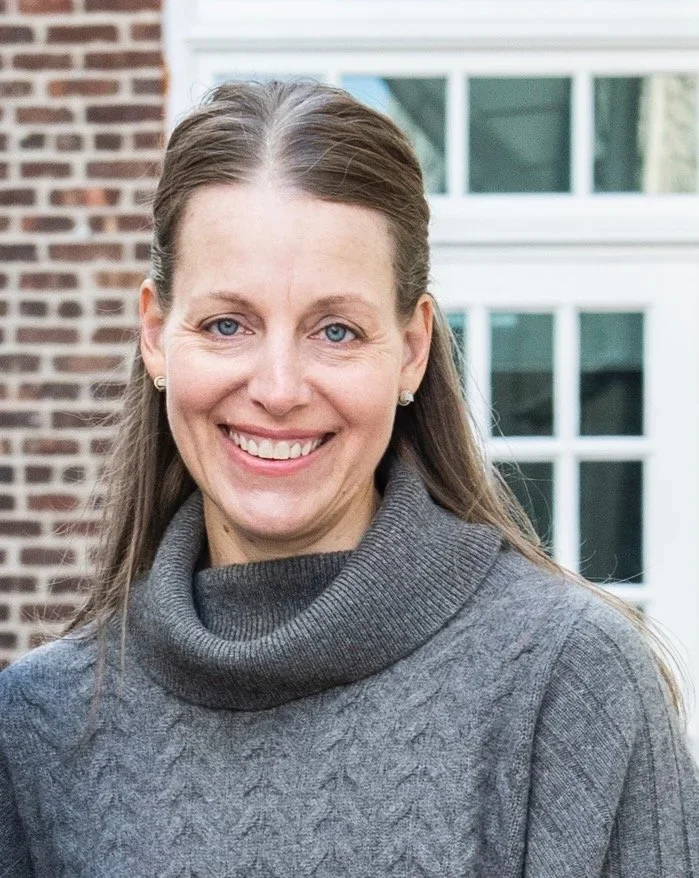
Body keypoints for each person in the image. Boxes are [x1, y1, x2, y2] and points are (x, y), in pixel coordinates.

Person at [1, 79, 698, 878]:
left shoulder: (568, 684)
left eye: (336, 330)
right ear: (157, 335)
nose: (278, 387)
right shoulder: (42, 723)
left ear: (410, 350)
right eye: (227, 324)